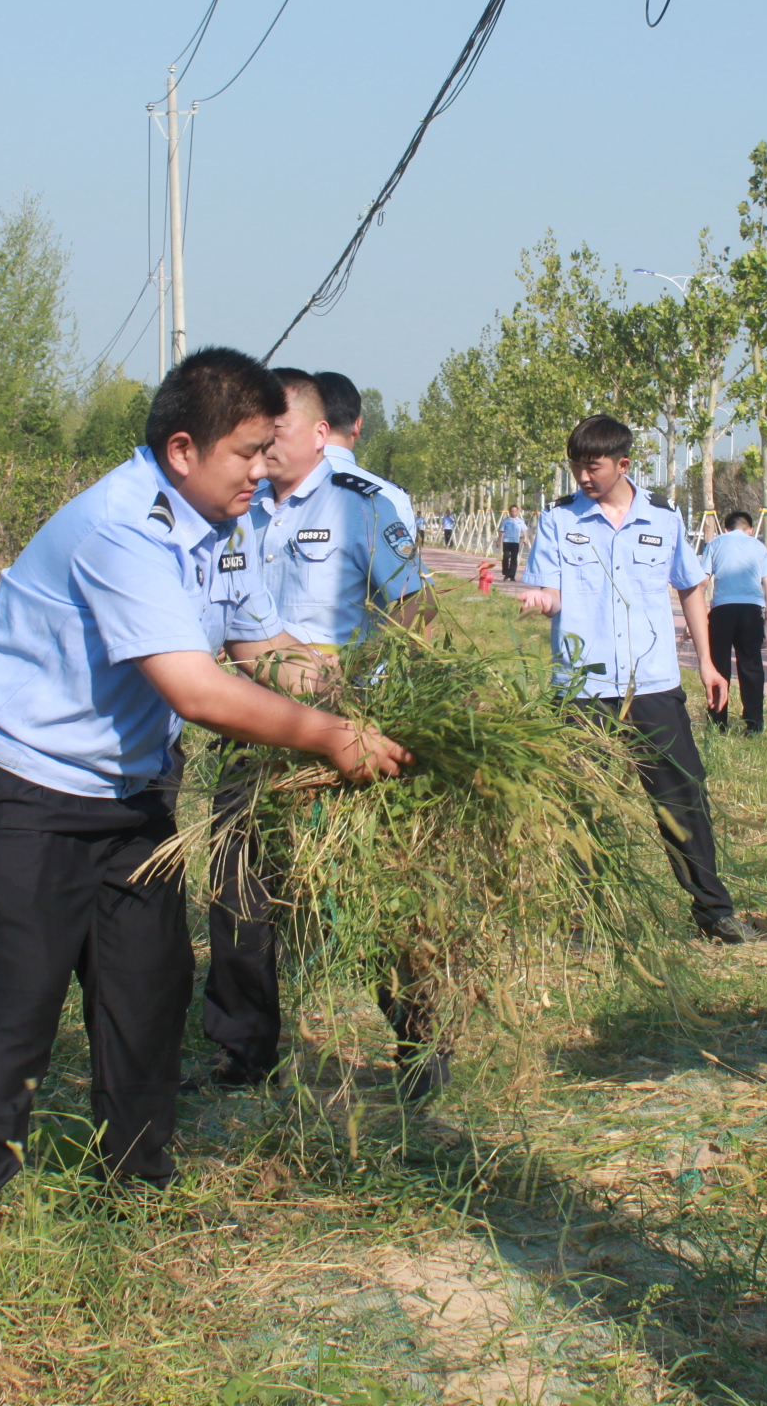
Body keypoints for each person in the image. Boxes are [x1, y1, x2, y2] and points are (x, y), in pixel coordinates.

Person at [0, 349, 410, 1235]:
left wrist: (377, 713)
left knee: (148, 988)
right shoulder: (124, 526)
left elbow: (265, 655)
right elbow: (198, 690)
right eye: (249, 453)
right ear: (183, 449)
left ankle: (138, 1181)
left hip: (131, 785)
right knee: (20, 1002)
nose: (264, 472)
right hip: (20, 779)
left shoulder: (224, 529)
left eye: (272, 451)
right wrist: (332, 741)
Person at [200, 368, 439, 1096]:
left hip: (345, 730)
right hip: (254, 723)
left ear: (318, 434)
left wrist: (387, 711)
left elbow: (415, 614)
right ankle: (245, 1054)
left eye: (276, 433)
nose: (263, 447)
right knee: (238, 888)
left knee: (369, 892)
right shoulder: (236, 510)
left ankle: (419, 1048)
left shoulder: (365, 506)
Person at [517, 415, 747, 945]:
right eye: (575, 465)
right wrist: (537, 601)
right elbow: (550, 592)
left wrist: (708, 664)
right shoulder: (559, 521)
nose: (582, 476)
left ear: (623, 464)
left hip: (653, 685)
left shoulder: (664, 519)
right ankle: (584, 919)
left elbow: (690, 587)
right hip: (584, 688)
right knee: (582, 803)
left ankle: (713, 910)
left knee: (682, 796)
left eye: (591, 465)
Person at [701, 510, 767, 734]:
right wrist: (766, 624)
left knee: (718, 665)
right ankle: (753, 724)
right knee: (751, 667)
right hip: (751, 610)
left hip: (722, 610)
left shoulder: (714, 544)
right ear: (750, 529)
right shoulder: (759, 547)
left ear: (726, 529)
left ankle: (718, 722)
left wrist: (695, 616)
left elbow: (703, 582)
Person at [499, 506, 528, 581]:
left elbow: (524, 530)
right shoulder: (506, 521)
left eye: (515, 511)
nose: (514, 513)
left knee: (514, 558)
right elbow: (501, 531)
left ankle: (512, 575)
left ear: (518, 511)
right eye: (512, 511)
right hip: (506, 541)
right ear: (509, 511)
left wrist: (525, 538)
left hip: (515, 542)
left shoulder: (520, 521)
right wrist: (499, 540)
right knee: (506, 557)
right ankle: (506, 573)